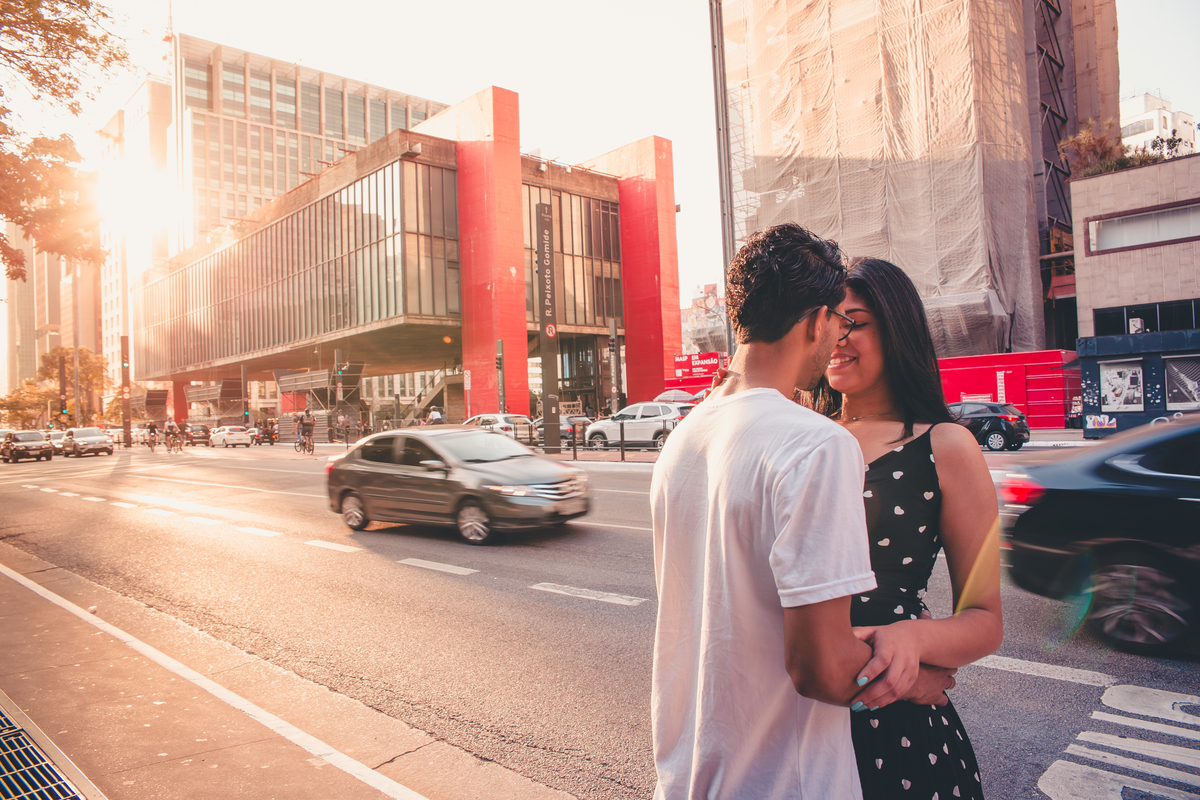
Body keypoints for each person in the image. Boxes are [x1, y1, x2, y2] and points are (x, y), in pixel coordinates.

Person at [649, 224, 954, 800]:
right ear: (816, 320)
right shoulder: (816, 444)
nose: (838, 336)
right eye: (839, 320)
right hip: (781, 781)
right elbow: (821, 667)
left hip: (690, 773)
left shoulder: (682, 441)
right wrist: (919, 679)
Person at [810, 257, 1002, 799]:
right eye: (830, 321)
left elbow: (985, 618)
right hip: (794, 713)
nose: (838, 337)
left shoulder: (945, 447)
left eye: (857, 321)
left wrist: (911, 641)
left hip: (895, 727)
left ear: (896, 328)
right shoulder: (804, 437)